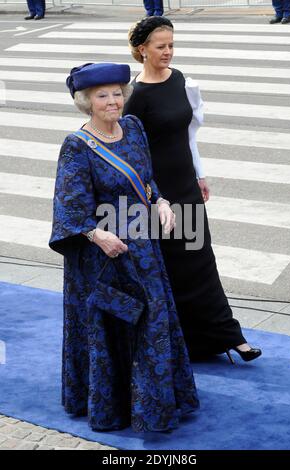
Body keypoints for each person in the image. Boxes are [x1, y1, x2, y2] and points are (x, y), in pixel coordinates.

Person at [49, 62, 199, 432]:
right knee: (115, 325)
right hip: (104, 255)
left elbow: (147, 182)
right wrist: (97, 235)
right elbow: (69, 208)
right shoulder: (76, 146)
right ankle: (113, 405)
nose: (114, 101)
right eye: (103, 96)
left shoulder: (133, 129)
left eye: (118, 93)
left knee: (152, 320)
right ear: (87, 102)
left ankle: (157, 403)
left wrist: (161, 202)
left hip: (144, 249)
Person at [125, 17, 262, 365]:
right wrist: (154, 197)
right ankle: (181, 341)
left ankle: (230, 337)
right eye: (161, 46)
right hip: (158, 193)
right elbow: (133, 152)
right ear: (143, 50)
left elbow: (188, 135)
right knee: (173, 266)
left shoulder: (181, 80)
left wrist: (200, 175)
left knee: (201, 260)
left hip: (185, 183)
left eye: (171, 45)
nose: (168, 52)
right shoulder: (135, 96)